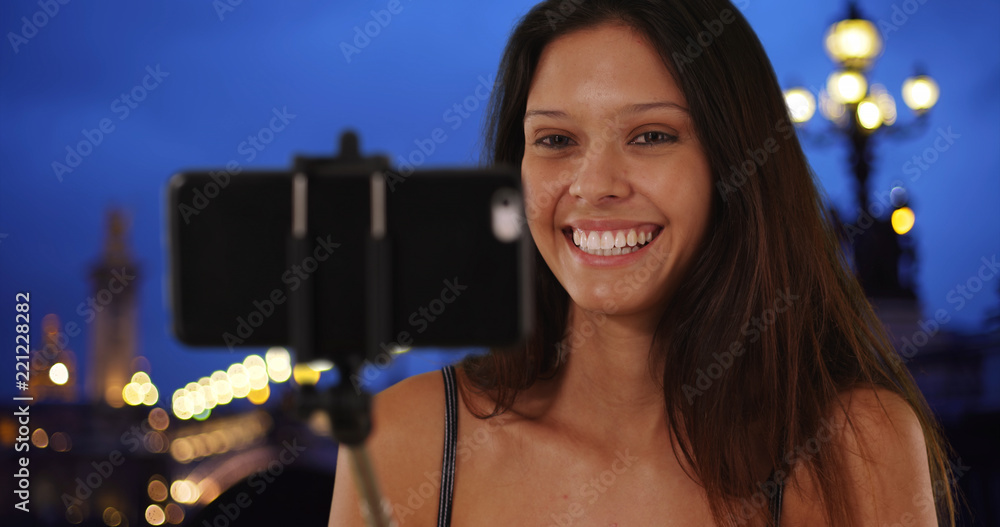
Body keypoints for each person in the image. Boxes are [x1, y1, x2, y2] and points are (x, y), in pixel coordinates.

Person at [330, 0, 957, 525]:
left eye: (651, 135)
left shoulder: (857, 447)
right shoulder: (403, 443)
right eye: (555, 141)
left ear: (735, 166)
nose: (594, 184)